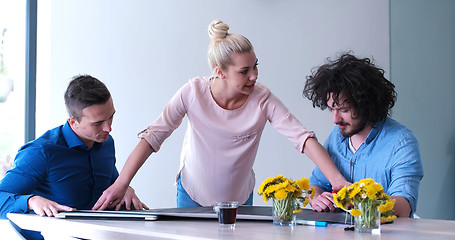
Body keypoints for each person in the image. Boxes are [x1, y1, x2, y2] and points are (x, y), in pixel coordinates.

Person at [93, 20, 349, 210]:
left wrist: (338, 182)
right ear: (220, 72)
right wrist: (121, 183)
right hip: (192, 194)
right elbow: (152, 137)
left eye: (256, 66)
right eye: (244, 71)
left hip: (240, 197)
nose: (254, 76)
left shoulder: (263, 99)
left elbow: (302, 138)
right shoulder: (192, 92)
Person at [0, 75, 148, 219]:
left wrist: (124, 189)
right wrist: (31, 201)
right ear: (73, 122)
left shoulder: (106, 143)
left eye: (111, 117)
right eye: (98, 123)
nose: (108, 128)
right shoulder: (41, 152)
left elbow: (112, 184)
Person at [303, 53, 424, 217]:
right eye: (332, 109)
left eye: (344, 110)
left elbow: (404, 206)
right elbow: (316, 184)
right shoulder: (336, 136)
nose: (335, 119)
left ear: (366, 104)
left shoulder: (402, 142)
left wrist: (362, 203)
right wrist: (317, 198)